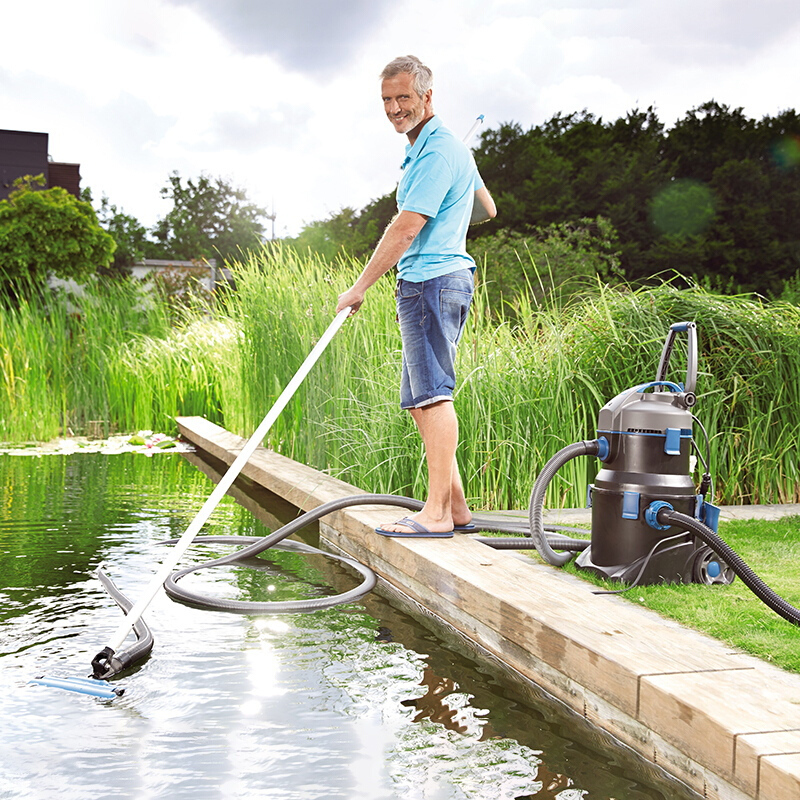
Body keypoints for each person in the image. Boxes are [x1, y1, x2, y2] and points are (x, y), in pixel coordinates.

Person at [336, 55, 496, 538]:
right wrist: (452, 202)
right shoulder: (442, 150)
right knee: (419, 398)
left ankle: (436, 515)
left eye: (403, 96)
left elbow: (405, 228)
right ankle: (458, 510)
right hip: (436, 280)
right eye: (387, 99)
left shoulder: (437, 152)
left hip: (430, 281)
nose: (394, 107)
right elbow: (487, 209)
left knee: (432, 396)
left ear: (428, 96)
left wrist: (359, 287)